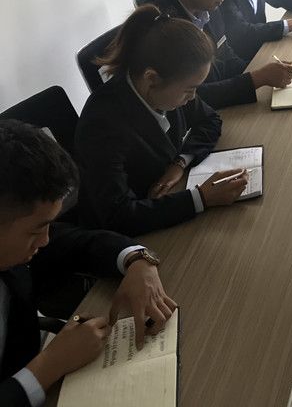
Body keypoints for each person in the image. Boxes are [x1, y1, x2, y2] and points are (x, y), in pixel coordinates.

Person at [0, 119, 176, 407]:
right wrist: (49, 366)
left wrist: (137, 259)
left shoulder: (15, 238)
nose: (45, 240)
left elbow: (78, 242)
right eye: (35, 231)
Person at [75, 4, 250, 236]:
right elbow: (117, 216)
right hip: (132, 235)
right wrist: (201, 198)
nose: (193, 97)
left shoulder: (166, 87)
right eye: (189, 90)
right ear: (152, 79)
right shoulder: (101, 125)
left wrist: (179, 163)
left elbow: (210, 120)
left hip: (165, 202)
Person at [136, 0, 292, 108]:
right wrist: (257, 78)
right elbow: (191, 98)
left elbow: (225, 56)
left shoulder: (205, 3)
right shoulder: (164, 28)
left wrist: (259, 69)